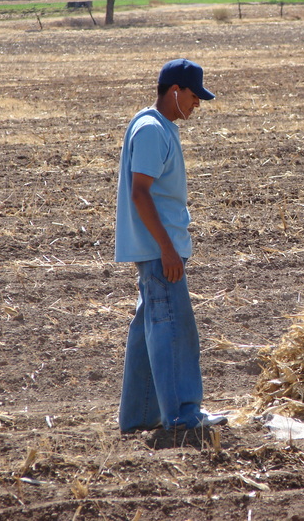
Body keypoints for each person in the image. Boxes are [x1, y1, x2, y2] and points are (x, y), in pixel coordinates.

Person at [115, 58, 227, 433]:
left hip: (156, 250)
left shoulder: (158, 126)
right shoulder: (151, 130)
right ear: (175, 91)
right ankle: (182, 413)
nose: (198, 104)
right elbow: (140, 193)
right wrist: (166, 247)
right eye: (194, 96)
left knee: (148, 329)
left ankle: (139, 415)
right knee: (173, 330)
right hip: (159, 252)